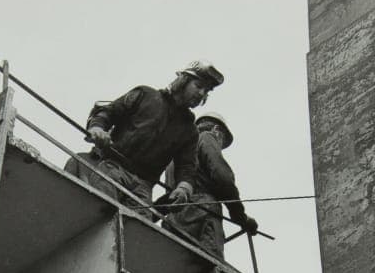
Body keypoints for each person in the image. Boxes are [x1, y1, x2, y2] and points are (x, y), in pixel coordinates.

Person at [64, 61, 224, 212]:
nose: (202, 93)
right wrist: (98, 128)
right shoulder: (145, 95)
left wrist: (184, 187)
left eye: (207, 91)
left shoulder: (190, 131)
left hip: (144, 188)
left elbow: (187, 166)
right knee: (100, 210)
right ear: (184, 80)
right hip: (113, 169)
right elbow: (108, 112)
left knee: (139, 230)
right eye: (199, 86)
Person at [161, 112, 259, 260]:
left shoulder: (178, 151)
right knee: (209, 267)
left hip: (174, 218)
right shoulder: (207, 137)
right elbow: (223, 179)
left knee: (176, 265)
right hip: (202, 212)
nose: (220, 145)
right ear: (217, 130)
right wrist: (241, 218)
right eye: (223, 141)